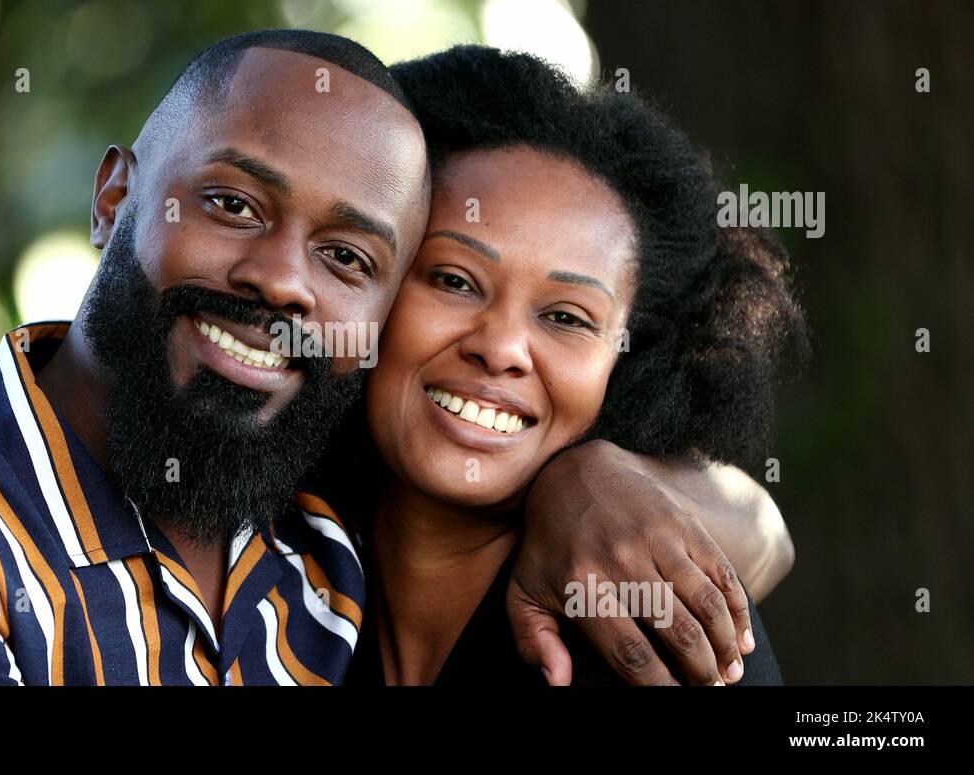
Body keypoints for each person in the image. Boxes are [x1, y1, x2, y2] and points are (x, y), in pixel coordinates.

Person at [0, 31, 790, 686]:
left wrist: (605, 478)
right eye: (230, 202)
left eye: (349, 252)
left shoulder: (308, 559)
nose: (284, 279)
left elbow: (752, 522)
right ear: (115, 195)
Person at [330, 46, 806, 685]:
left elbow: (766, 534)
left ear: (633, 361)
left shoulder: (654, 628)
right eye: (454, 279)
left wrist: (593, 472)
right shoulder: (261, 566)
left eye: (567, 318)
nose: (500, 348)